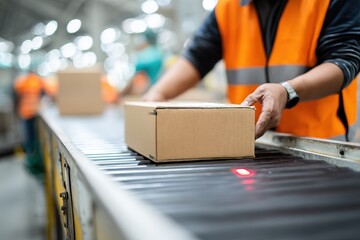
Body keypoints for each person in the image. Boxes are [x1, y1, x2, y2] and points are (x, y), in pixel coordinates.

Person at [144, 0, 360, 142]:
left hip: (320, 149)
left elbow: (344, 61)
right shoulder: (229, 7)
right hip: (251, 145)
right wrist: (158, 94)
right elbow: (197, 57)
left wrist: (287, 91)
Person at [14, 70, 45, 180]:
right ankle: (35, 161)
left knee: (29, 138)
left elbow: (16, 97)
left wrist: (17, 111)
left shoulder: (21, 81)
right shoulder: (37, 81)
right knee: (35, 139)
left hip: (25, 113)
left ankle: (31, 160)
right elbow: (43, 93)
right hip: (35, 112)